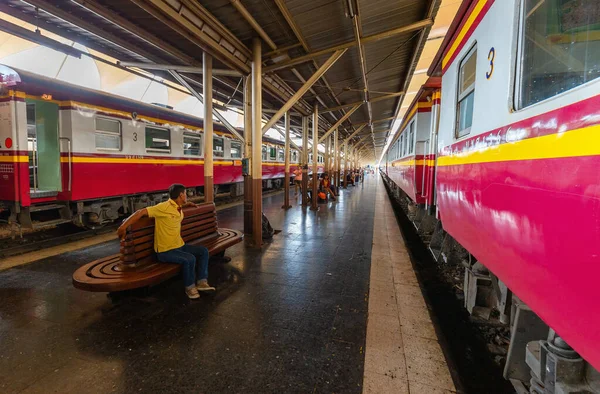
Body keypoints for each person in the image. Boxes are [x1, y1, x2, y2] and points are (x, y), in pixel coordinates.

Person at [117, 183, 215, 300]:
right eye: (185, 194)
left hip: (179, 245)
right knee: (190, 259)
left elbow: (174, 210)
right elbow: (141, 212)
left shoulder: (177, 206)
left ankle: (202, 282)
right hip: (165, 251)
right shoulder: (163, 207)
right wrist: (122, 227)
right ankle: (190, 287)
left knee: (203, 251)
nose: (187, 196)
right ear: (181, 195)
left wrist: (186, 205)